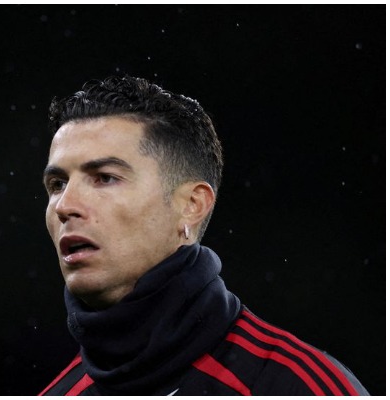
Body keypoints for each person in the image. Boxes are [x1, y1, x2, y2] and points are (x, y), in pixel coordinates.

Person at [38, 76, 368, 396]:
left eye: (105, 178)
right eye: (57, 184)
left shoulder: (297, 387)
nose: (65, 206)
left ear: (192, 205)